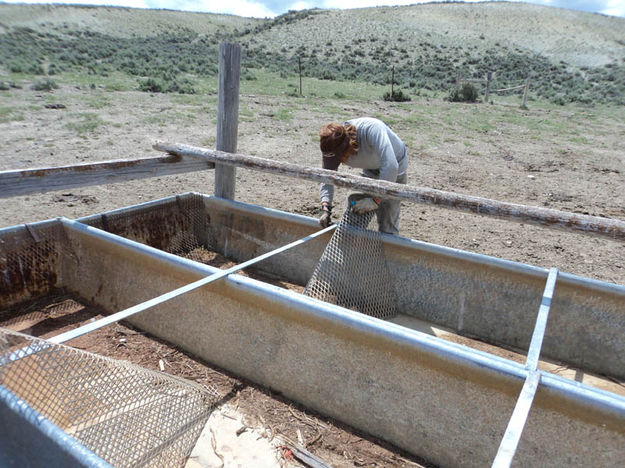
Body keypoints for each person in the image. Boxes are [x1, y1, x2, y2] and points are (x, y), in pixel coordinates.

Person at [318, 117, 408, 235]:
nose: (337, 160)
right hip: (370, 170)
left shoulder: (372, 129)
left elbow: (391, 166)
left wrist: (376, 200)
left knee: (387, 225)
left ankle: (389, 248)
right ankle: (351, 247)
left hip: (395, 171)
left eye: (338, 156)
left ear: (348, 145)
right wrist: (325, 207)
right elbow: (328, 177)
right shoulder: (331, 148)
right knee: (354, 211)